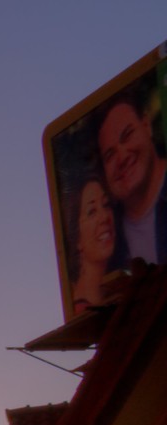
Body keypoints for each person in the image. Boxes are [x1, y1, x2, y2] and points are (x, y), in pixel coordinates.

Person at [96, 91, 167, 268]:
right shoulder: (108, 241)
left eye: (127, 135)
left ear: (146, 125)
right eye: (110, 155)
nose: (122, 157)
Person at [70, 178, 119, 310]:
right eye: (91, 212)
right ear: (77, 239)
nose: (104, 217)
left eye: (106, 204)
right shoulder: (82, 316)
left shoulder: (115, 297)